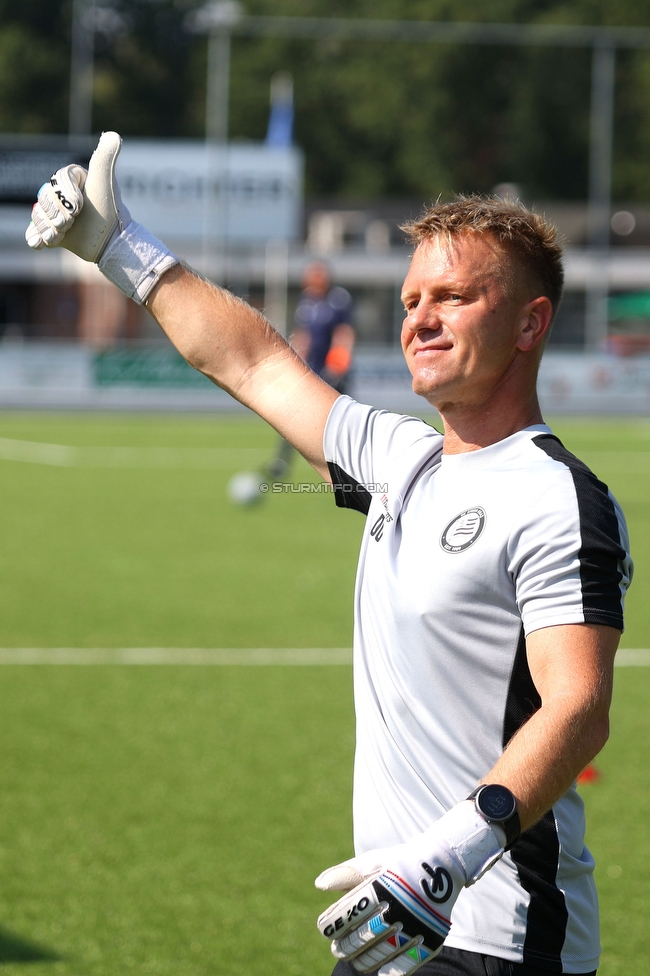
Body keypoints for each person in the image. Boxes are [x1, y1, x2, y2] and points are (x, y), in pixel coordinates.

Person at [26, 133, 632, 976]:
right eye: (413, 296)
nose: (419, 316)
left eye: (452, 297)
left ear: (531, 322)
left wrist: (446, 857)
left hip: (495, 931)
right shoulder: (400, 457)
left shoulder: (558, 495)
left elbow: (578, 708)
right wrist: (118, 246)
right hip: (391, 919)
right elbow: (252, 361)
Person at [265, 260, 354, 480]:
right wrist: (296, 361)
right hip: (311, 369)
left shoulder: (338, 300)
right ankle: (281, 462)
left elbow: (344, 334)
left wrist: (338, 362)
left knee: (345, 418)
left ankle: (352, 467)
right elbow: (302, 334)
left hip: (333, 369)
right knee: (294, 414)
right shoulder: (307, 303)